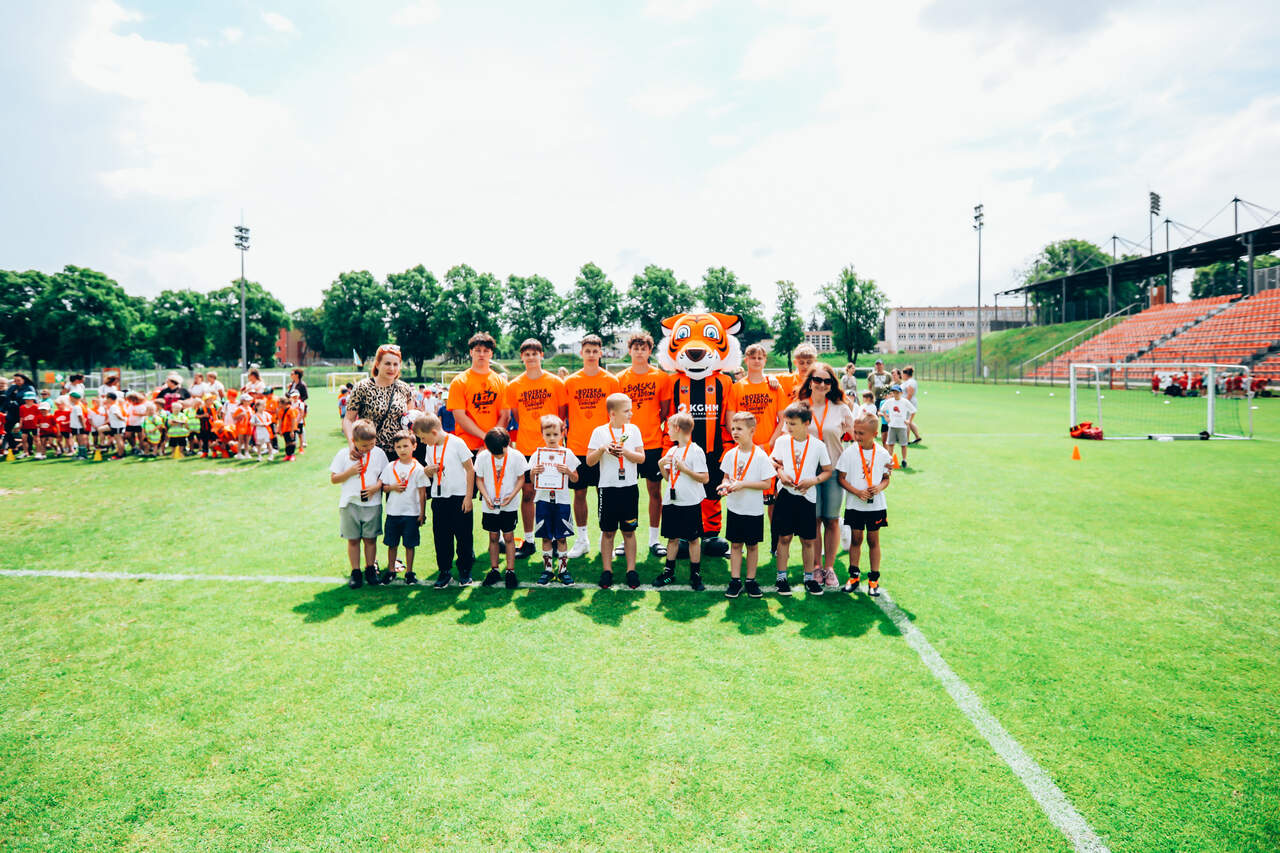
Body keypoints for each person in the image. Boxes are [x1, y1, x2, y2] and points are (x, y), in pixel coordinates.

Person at [505, 338, 567, 559]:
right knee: (528, 494)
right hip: (526, 447)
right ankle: (529, 541)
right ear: (522, 357)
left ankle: (556, 539)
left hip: (551, 449)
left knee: (553, 494)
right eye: (527, 354)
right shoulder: (514, 385)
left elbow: (561, 415)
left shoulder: (555, 382)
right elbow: (516, 415)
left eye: (534, 353)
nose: (531, 357)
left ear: (541, 355)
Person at [615, 331, 673, 557]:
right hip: (626, 445)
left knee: (654, 492)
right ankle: (625, 538)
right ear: (629, 351)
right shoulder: (620, 378)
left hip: (652, 444)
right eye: (636, 348)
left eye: (644, 348)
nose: (639, 352)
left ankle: (653, 539)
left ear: (650, 351)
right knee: (625, 493)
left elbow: (664, 411)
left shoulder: (661, 378)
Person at [798, 363, 856, 589]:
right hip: (808, 471)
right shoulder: (800, 407)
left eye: (827, 381)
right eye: (817, 380)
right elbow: (788, 435)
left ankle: (829, 567)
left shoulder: (841, 408)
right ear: (810, 382)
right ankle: (816, 566)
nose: (822, 384)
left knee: (831, 519)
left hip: (833, 470)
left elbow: (857, 435)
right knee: (813, 520)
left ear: (832, 385)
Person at [564, 334, 621, 558]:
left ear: (601, 353)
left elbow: (617, 415)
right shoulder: (570, 382)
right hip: (577, 446)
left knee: (604, 494)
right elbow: (563, 414)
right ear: (581, 353)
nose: (591, 354)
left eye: (595, 351)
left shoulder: (611, 381)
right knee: (579, 494)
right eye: (587, 351)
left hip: (603, 448)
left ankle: (605, 539)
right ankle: (582, 539)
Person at [770, 402, 832, 596]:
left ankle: (809, 578)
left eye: (793, 424)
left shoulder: (818, 445)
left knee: (808, 540)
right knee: (784, 537)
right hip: (785, 495)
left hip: (807, 497)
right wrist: (781, 474)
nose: (788, 427)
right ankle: (781, 577)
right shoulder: (782, 441)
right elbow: (773, 461)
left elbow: (828, 471)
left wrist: (813, 480)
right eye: (787, 423)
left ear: (806, 423)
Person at [586, 392, 646, 589]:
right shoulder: (599, 432)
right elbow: (589, 461)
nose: (631, 414)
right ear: (612, 413)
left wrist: (625, 452)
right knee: (608, 532)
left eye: (630, 410)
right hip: (608, 489)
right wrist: (602, 449)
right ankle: (607, 570)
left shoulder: (634, 429)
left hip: (629, 488)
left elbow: (641, 458)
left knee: (629, 531)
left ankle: (631, 570)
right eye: (626, 411)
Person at [718, 412, 776, 599]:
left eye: (739, 429)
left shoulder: (760, 456)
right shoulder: (730, 454)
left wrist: (743, 484)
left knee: (752, 546)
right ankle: (735, 581)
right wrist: (725, 486)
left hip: (753, 510)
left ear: (752, 431)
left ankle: (751, 581)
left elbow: (767, 484)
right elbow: (726, 478)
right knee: (735, 545)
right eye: (733, 428)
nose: (735, 432)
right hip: (735, 508)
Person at [417, 413, 477, 589]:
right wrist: (428, 471)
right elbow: (429, 470)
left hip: (459, 497)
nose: (422, 442)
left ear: (434, 432)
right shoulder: (430, 447)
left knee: (464, 536)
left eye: (423, 438)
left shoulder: (457, 443)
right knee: (441, 537)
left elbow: (470, 470)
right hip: (439, 498)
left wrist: (468, 497)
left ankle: (465, 570)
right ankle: (444, 571)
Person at [836, 413, 892, 596]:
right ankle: (853, 576)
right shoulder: (849, 453)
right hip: (855, 505)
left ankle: (874, 579)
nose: (857, 436)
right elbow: (841, 478)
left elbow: (886, 478)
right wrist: (857, 492)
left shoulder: (883, 454)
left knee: (873, 541)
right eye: (856, 432)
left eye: (862, 433)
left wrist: (879, 488)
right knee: (856, 540)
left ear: (874, 434)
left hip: (876, 507)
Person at [330, 419, 388, 589]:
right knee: (353, 540)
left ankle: (370, 569)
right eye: (364, 445)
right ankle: (355, 572)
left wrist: (376, 487)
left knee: (370, 539)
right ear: (353, 441)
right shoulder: (343, 454)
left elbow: (385, 476)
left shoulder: (379, 454)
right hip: (350, 504)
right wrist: (349, 472)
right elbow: (334, 479)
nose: (368, 448)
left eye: (372, 444)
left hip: (372, 504)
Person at [654, 412, 709, 591]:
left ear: (677, 429)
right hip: (672, 502)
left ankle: (695, 575)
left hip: (690, 503)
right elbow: (668, 478)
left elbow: (705, 478)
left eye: (669, 428)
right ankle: (669, 572)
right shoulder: (672, 450)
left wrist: (686, 470)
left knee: (693, 539)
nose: (667, 431)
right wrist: (661, 465)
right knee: (672, 538)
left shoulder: (696, 450)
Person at [529, 415, 580, 586]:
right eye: (548, 434)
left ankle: (563, 571)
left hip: (562, 501)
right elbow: (531, 479)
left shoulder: (567, 454)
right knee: (545, 537)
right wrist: (533, 472)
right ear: (542, 434)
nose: (552, 438)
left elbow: (576, 479)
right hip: (543, 501)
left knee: (562, 538)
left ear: (562, 434)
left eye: (555, 434)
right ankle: (548, 570)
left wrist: (568, 471)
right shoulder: (537, 455)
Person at [475, 426, 529, 589]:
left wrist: (511, 496)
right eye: (494, 453)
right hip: (489, 505)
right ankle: (494, 570)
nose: (498, 456)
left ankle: (510, 571)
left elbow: (521, 478)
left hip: (509, 505)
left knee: (509, 537)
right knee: (493, 537)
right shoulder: (483, 457)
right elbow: (479, 479)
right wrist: (486, 496)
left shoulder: (517, 456)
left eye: (501, 453)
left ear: (508, 443)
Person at [447, 332, 510, 460]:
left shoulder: (502, 383)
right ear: (471, 352)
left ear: (491, 354)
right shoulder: (459, 381)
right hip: (467, 447)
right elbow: (460, 416)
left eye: (486, 351)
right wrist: (486, 438)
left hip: (495, 446)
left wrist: (491, 441)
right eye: (478, 350)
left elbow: (505, 416)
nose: (482, 354)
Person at [344, 344, 414, 458]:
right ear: (377, 364)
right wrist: (352, 443)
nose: (392, 368)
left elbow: (410, 420)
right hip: (371, 452)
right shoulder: (363, 387)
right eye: (387, 363)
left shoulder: (404, 388)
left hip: (399, 454)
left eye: (395, 364)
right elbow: (348, 419)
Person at [378, 430, 428, 585]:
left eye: (406, 446)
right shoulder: (390, 466)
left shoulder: (418, 468)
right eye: (398, 447)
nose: (402, 450)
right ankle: (391, 570)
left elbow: (422, 493)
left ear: (414, 446)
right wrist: (392, 487)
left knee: (410, 544)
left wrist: (422, 513)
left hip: (411, 513)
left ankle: (409, 572)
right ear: (394, 448)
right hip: (393, 512)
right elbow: (384, 487)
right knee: (392, 544)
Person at [879, 385, 917, 468]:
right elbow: (882, 409)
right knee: (890, 444)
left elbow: (913, 411)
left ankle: (904, 460)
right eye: (894, 392)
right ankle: (890, 460)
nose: (895, 394)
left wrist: (909, 421)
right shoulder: (889, 401)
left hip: (902, 426)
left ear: (901, 393)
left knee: (903, 444)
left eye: (897, 392)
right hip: (892, 426)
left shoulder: (905, 402)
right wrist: (886, 417)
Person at [902, 366, 922, 443]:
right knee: (909, 421)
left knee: (906, 421)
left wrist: (904, 403)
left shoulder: (910, 382)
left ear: (906, 374)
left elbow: (910, 394)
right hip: (908, 402)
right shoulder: (907, 382)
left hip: (909, 403)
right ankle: (917, 437)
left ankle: (906, 440)